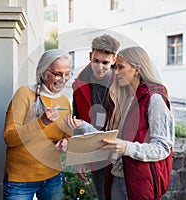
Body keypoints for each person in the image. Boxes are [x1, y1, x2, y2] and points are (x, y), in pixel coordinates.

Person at [65, 46, 175, 200]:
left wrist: (126, 147)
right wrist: (82, 125)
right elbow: (108, 138)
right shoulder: (121, 98)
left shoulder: (154, 99)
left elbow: (163, 147)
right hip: (116, 179)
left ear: (137, 69)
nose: (115, 72)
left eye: (120, 67)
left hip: (140, 183)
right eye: (115, 67)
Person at [3, 49, 72, 200]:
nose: (64, 79)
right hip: (21, 181)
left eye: (67, 73)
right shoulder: (24, 94)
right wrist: (42, 122)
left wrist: (65, 141)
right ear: (43, 72)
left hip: (53, 176)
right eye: (58, 74)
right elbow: (9, 138)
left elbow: (66, 134)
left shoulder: (64, 101)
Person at [72, 34, 120, 200]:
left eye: (105, 62)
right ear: (90, 56)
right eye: (96, 61)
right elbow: (76, 122)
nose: (100, 67)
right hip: (95, 153)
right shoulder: (78, 85)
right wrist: (79, 158)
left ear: (114, 60)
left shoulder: (124, 82)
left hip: (121, 152)